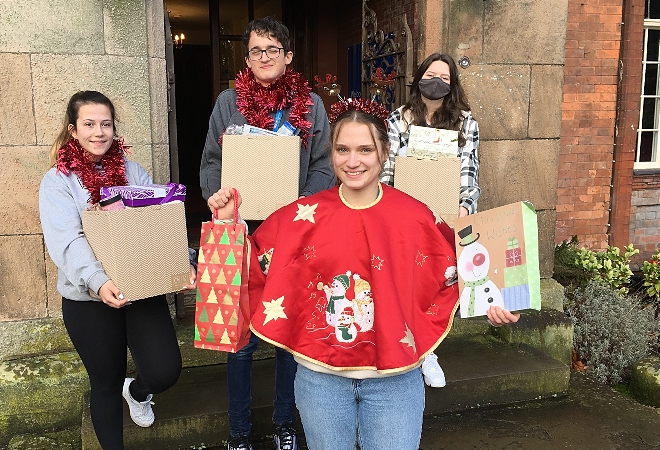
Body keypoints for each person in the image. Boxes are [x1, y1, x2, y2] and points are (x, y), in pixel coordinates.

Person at [208, 97, 521, 450]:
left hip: (396, 381)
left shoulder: (416, 216)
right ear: (332, 154)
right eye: (343, 149)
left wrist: (493, 303)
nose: (352, 161)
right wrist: (226, 224)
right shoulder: (300, 216)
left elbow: (457, 271)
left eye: (364, 149)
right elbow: (252, 265)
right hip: (319, 380)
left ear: (384, 153)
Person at [200, 16, 335, 450]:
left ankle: (284, 423)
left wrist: (299, 207)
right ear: (247, 58)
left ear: (288, 56)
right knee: (238, 340)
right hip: (241, 233)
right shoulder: (227, 103)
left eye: (272, 50)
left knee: (285, 335)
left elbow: (323, 166)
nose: (264, 57)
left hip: (294, 234)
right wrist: (217, 196)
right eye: (256, 50)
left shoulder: (310, 105)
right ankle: (238, 432)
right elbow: (210, 163)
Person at [39, 91, 194, 450]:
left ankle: (137, 392)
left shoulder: (131, 171)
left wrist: (181, 262)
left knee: (164, 371)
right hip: (89, 300)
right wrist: (98, 280)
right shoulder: (58, 181)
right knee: (105, 384)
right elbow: (68, 241)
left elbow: (156, 223)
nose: (98, 131)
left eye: (105, 124)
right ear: (73, 130)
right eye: (89, 124)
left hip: (140, 288)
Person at [380, 52, 481, 388]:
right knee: (406, 281)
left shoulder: (466, 123)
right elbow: (386, 172)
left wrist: (464, 210)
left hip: (445, 217)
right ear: (419, 78)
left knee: (435, 285)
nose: (436, 82)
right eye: (430, 75)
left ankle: (428, 346)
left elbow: (469, 173)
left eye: (444, 78)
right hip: (406, 216)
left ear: (452, 86)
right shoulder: (399, 119)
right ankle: (421, 351)